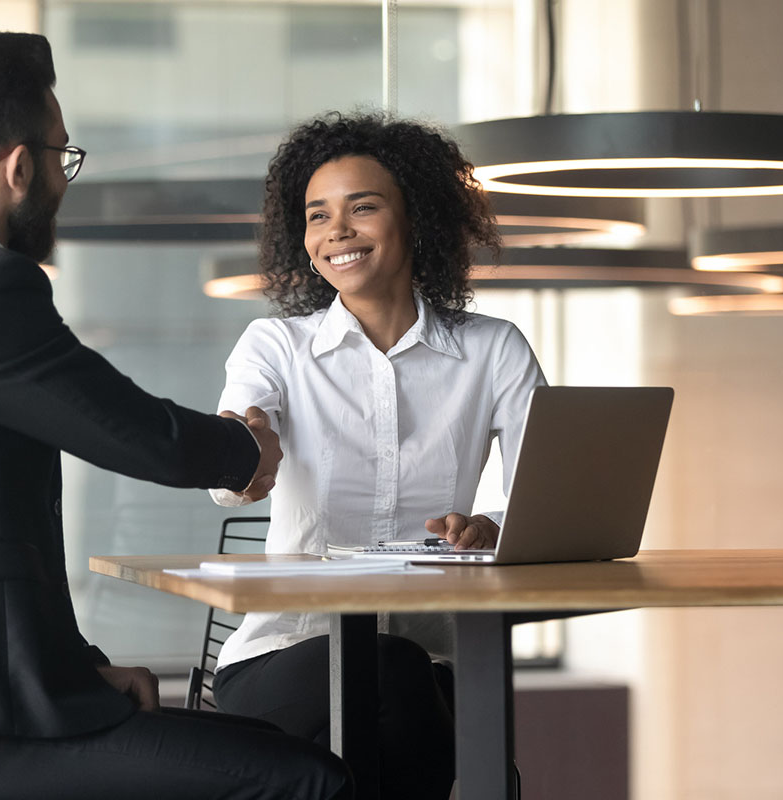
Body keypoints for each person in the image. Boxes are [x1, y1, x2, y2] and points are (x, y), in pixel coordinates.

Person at [0, 32, 352, 800]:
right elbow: (127, 428)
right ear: (18, 166)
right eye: (62, 157)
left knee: (270, 754)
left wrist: (82, 670)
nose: (63, 180)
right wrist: (244, 451)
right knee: (307, 781)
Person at [208, 112, 547, 799]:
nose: (337, 230)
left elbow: (546, 501)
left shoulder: (493, 349)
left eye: (363, 207)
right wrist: (248, 454)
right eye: (318, 214)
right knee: (426, 711)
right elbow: (235, 450)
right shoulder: (274, 347)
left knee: (412, 699)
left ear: (416, 217)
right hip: (281, 659)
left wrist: (492, 529)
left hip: (438, 660)